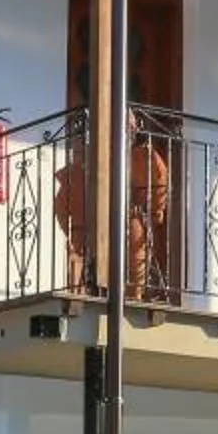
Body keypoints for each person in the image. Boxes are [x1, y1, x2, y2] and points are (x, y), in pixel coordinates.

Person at [51, 109, 174, 296]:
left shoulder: (143, 158)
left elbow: (159, 189)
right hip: (90, 229)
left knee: (134, 246)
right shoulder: (80, 168)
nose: (127, 133)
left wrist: (150, 211)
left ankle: (132, 296)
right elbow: (62, 205)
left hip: (127, 223)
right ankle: (88, 292)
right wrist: (76, 227)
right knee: (84, 254)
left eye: (129, 128)